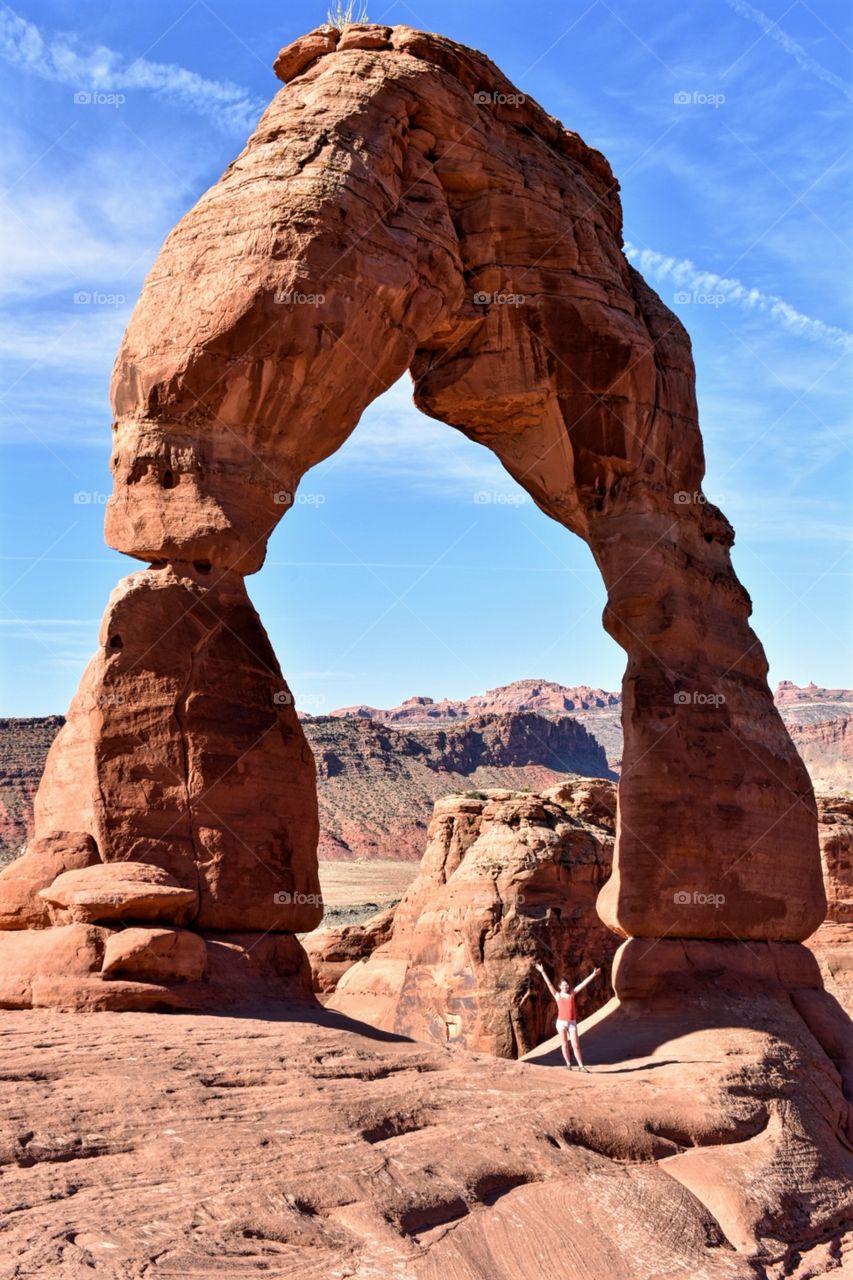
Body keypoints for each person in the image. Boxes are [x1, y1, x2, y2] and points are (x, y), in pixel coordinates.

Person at [535, 960, 601, 1071]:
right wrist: (542, 972)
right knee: (565, 1044)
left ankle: (581, 1066)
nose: (566, 986)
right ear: (560, 986)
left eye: (567, 985)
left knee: (576, 1045)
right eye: (563, 985)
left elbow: (583, 984)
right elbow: (549, 984)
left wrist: (593, 975)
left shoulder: (572, 993)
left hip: (572, 1022)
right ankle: (569, 1064)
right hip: (561, 1023)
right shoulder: (557, 995)